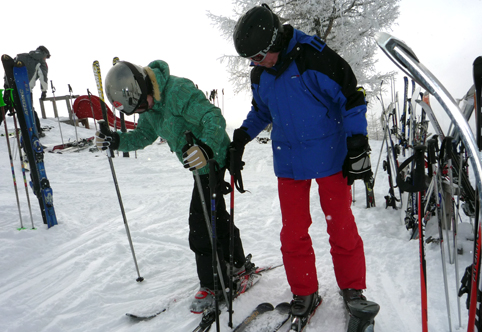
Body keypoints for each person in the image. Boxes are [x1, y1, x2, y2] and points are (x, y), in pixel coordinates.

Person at [231, 3, 374, 326]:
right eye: (250, 59)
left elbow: (351, 97)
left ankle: (352, 289)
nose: (254, 64)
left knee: (341, 226)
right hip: (289, 161)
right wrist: (241, 136)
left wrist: (356, 143)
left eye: (257, 56)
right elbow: (261, 112)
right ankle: (305, 291)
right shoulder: (261, 74)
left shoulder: (315, 57)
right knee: (293, 233)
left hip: (329, 157)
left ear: (273, 44)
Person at [96, 60, 255, 313]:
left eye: (141, 104)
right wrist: (116, 141)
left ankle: (212, 285)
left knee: (201, 222)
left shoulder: (177, 91)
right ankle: (236, 263)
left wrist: (206, 147)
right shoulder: (150, 107)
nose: (142, 110)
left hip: (213, 155)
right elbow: (143, 135)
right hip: (196, 162)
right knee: (216, 215)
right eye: (136, 109)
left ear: (145, 85)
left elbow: (212, 117)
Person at [13, 45, 51, 137]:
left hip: (13, 86)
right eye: (46, 57)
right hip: (26, 89)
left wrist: (7, 83)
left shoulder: (21, 56)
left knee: (9, 107)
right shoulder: (41, 61)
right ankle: (36, 130)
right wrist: (44, 91)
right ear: (44, 54)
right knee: (28, 109)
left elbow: (10, 69)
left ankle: (24, 128)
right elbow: (43, 77)